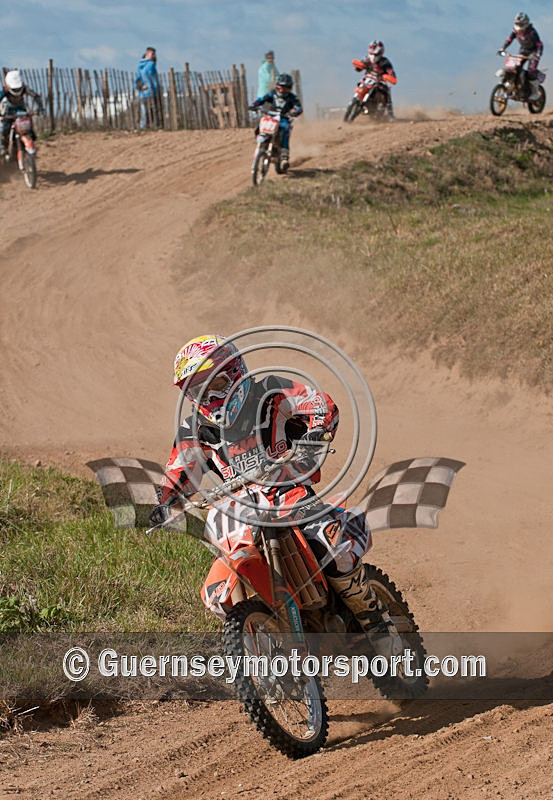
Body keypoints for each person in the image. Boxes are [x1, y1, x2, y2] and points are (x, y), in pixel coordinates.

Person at [149, 334, 402, 658]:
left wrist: (314, 436)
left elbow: (320, 405)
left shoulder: (270, 392)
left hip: (290, 495)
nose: (210, 396)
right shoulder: (195, 428)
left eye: (217, 383)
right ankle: (267, 645)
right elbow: (178, 468)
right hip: (240, 510)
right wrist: (164, 501)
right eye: (198, 390)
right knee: (222, 581)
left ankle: (377, 623)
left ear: (236, 370)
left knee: (331, 544)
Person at [249, 73, 303, 169]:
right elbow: (262, 99)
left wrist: (296, 112)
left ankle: (284, 156)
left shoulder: (292, 98)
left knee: (285, 128)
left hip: (283, 118)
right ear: (277, 86)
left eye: (285, 88)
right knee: (260, 125)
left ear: (289, 88)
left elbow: (299, 107)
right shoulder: (272, 94)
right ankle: (262, 143)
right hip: (271, 116)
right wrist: (254, 104)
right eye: (280, 88)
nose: (282, 90)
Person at [499, 12, 543, 101]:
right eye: (517, 23)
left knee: (531, 71)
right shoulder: (515, 31)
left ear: (526, 23)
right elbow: (509, 39)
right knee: (515, 68)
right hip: (523, 51)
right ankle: (515, 87)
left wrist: (538, 55)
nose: (518, 26)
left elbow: (539, 44)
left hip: (533, 52)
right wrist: (502, 48)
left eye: (520, 24)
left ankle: (535, 93)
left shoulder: (532, 32)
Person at [0, 70, 44, 157]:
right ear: (8, 86)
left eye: (18, 88)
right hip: (8, 111)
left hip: (21, 109)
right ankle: (2, 146)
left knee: (28, 125)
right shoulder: (5, 91)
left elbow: (35, 96)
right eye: (14, 88)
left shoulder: (25, 88)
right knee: (4, 128)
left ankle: (31, 140)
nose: (16, 90)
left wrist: (40, 108)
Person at [354, 40, 397, 119]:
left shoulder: (385, 62)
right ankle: (356, 102)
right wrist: (358, 67)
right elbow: (359, 67)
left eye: (375, 54)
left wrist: (389, 77)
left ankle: (390, 114)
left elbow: (391, 72)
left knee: (387, 91)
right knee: (359, 85)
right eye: (371, 53)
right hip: (367, 80)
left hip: (379, 82)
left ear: (380, 52)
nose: (373, 56)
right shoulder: (367, 59)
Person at [135, 47, 161, 129]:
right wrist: (141, 86)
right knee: (148, 111)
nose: (154, 56)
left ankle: (148, 126)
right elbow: (138, 79)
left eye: (154, 54)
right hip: (149, 92)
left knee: (152, 111)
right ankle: (146, 127)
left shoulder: (143, 65)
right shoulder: (147, 65)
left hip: (153, 91)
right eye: (152, 54)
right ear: (147, 53)